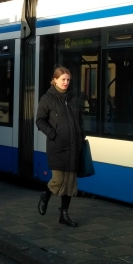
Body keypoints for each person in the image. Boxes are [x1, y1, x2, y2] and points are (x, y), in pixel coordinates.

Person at [35, 66, 84, 227]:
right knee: (58, 179)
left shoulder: (73, 99)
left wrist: (82, 135)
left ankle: (64, 215)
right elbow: (40, 121)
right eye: (63, 79)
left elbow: (79, 120)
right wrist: (53, 134)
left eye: (68, 80)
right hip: (57, 146)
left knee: (70, 183)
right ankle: (46, 195)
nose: (66, 82)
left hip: (74, 146)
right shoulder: (47, 98)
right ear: (55, 80)